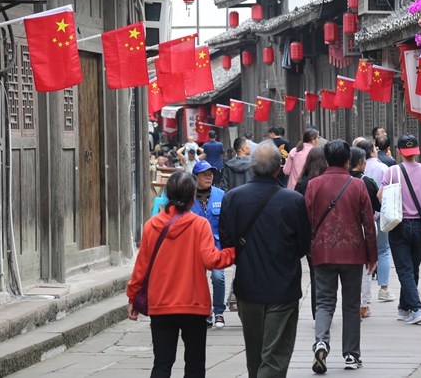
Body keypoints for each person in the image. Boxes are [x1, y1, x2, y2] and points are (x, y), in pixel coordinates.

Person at [126, 171, 235, 378]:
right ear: (193, 196)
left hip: (161, 305)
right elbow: (212, 260)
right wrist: (233, 252)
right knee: (194, 365)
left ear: (168, 195)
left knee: (162, 364)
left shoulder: (152, 226)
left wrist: (133, 298)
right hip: (193, 305)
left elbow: (141, 268)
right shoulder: (199, 225)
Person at [219, 143, 311, 378]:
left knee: (255, 355)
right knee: (275, 356)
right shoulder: (293, 201)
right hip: (283, 286)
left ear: (251, 166)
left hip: (248, 286)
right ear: (278, 168)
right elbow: (303, 245)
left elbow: (228, 242)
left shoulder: (232, 198)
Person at [305, 140, 377, 373]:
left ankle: (322, 342)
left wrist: (308, 247)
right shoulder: (357, 185)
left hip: (323, 251)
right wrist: (372, 254)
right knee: (351, 303)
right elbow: (368, 222)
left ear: (327, 160)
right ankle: (351, 355)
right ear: (348, 160)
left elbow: (306, 219)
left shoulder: (313, 185)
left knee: (324, 301)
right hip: (353, 253)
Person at [380, 134, 421, 325]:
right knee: (412, 268)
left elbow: (380, 196)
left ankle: (415, 308)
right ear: (417, 151)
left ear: (399, 151)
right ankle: (403, 308)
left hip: (399, 225)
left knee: (405, 270)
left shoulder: (391, 172)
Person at [190, 160, 228, 327]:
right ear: (195, 177)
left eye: (210, 174)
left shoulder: (221, 195)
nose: (209, 177)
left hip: (216, 246)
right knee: (198, 280)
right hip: (194, 247)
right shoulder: (188, 197)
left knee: (218, 277)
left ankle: (218, 312)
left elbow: (228, 221)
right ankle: (204, 312)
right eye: (204, 174)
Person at [356, 140, 395, 303]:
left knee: (363, 255)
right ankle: (384, 289)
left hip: (361, 218)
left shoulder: (355, 170)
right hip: (380, 215)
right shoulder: (383, 168)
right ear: (372, 151)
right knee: (384, 250)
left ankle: (364, 293)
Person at [293, 145, 328, 319]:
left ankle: (318, 312)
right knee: (329, 276)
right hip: (329, 234)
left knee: (316, 275)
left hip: (309, 235)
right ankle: (327, 309)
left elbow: (296, 209)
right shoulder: (329, 182)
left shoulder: (302, 183)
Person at [349, 146, 382, 320]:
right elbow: (378, 207)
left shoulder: (342, 180)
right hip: (365, 228)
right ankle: (363, 305)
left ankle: (350, 302)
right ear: (361, 162)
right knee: (366, 269)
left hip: (344, 228)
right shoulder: (367, 182)